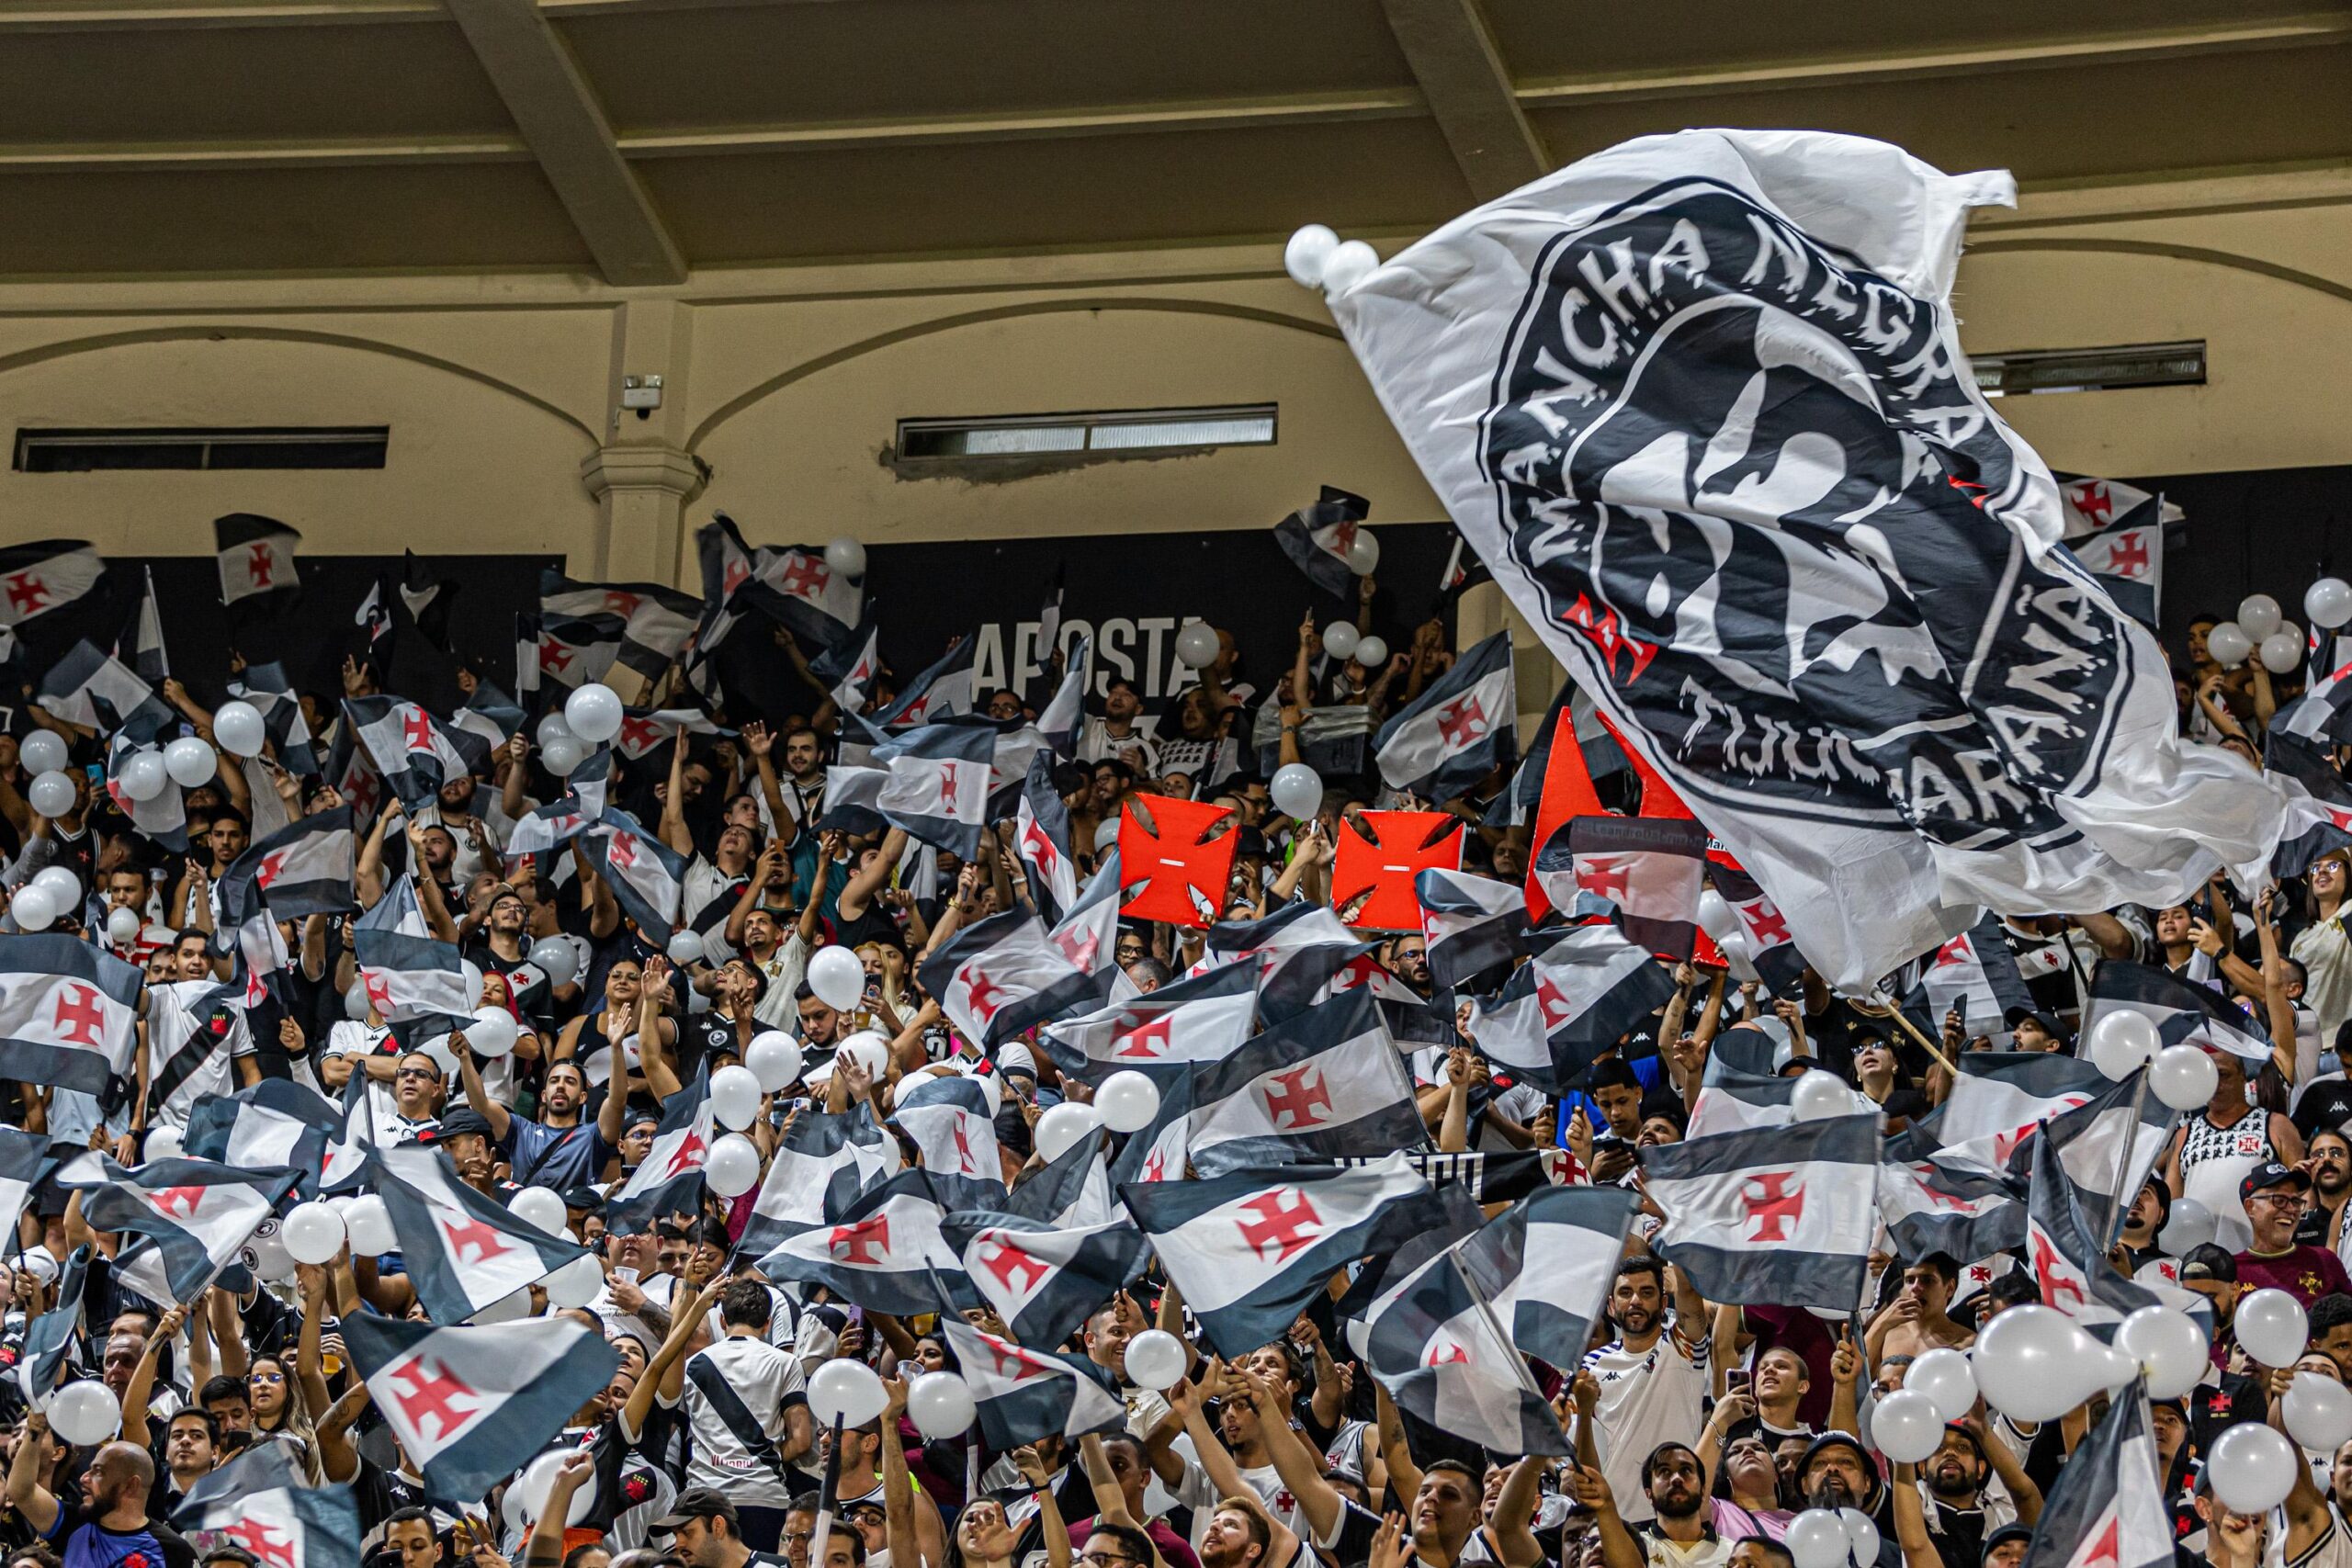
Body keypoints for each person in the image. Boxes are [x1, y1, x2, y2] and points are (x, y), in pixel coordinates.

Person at [1578, 1258, 1711, 1525]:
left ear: (1663, 1305)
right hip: (1616, 1516)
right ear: (1612, 1306)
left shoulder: (1682, 1347)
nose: (1636, 1300)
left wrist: (1677, 1246)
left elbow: (1689, 1298)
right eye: (1626, 1293)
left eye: (1647, 1292)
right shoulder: (1592, 1364)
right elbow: (1586, 1454)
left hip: (1678, 1512)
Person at [5, 1415, 194, 1568]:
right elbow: (21, 1491)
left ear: (131, 1485)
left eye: (98, 1472)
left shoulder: (173, 1550)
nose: (84, 1478)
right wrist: (34, 1431)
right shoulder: (73, 1525)